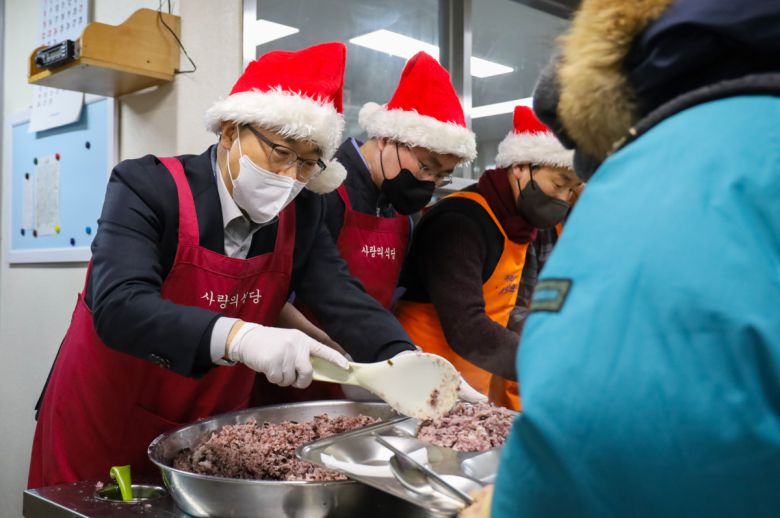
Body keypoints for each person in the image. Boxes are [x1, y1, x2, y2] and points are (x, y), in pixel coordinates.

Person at [28, 42, 424, 488]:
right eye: (280, 152)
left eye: (308, 164)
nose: (291, 177)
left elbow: (341, 295)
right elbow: (120, 304)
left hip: (207, 435)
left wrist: (405, 359)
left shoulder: (303, 214)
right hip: (104, 421)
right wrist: (240, 335)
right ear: (232, 132)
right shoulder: (147, 187)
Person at [491, 0, 780, 515]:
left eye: (574, 184)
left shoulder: (641, 179)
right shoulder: (467, 217)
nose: (571, 194)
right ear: (520, 171)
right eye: (562, 183)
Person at [395, 106, 580, 410]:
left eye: (571, 191)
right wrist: (547, 365)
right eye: (559, 184)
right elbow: (467, 327)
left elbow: (506, 312)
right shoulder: (460, 221)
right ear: (520, 166)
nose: (563, 199)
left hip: (469, 387)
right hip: (419, 380)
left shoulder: (520, 226)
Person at [322, 51, 476, 310]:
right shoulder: (327, 189)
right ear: (385, 138)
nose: (428, 182)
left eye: (441, 177)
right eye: (426, 166)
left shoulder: (403, 211)